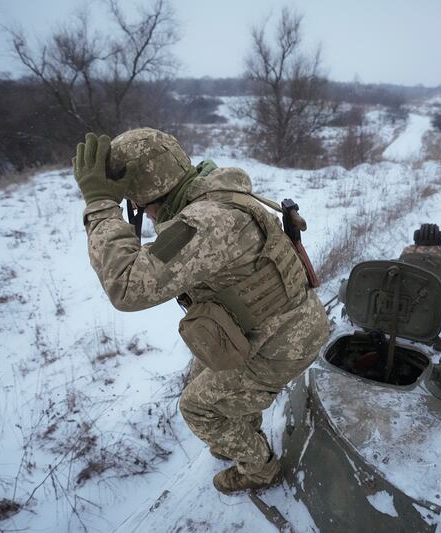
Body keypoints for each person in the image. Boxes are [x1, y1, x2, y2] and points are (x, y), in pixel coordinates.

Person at [72, 128, 330, 494]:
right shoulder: (213, 189)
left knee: (198, 408)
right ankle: (241, 427)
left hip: (284, 341)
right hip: (271, 325)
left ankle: (260, 469)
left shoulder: (207, 222)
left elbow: (127, 288)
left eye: (137, 205)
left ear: (148, 195)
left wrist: (100, 205)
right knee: (201, 376)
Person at [400, 223, 441, 289]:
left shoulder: (408, 251)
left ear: (416, 236)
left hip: (410, 289)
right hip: (438, 294)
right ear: (440, 237)